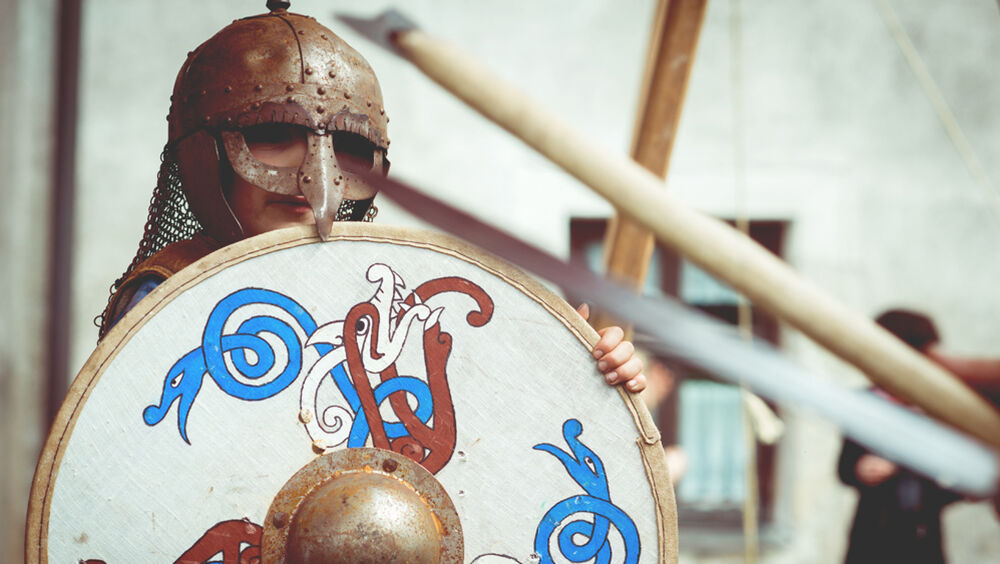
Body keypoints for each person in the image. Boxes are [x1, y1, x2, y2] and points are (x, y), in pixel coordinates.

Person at [97, 0, 646, 393]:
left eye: (347, 145)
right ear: (204, 158)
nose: (315, 174)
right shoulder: (164, 298)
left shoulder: (379, 295)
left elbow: (479, 434)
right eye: (271, 136)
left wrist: (582, 378)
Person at [837, 309, 963, 564]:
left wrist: (936, 478)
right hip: (872, 540)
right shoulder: (862, 404)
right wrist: (860, 470)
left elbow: (960, 483)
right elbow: (843, 469)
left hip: (922, 541)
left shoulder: (942, 410)